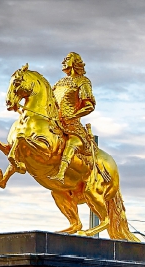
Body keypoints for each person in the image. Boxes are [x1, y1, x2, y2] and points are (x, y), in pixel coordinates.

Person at [50, 52, 96, 183]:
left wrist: (73, 116)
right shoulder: (59, 83)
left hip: (72, 125)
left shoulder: (83, 81)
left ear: (75, 62)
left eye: (67, 58)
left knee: (71, 143)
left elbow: (89, 106)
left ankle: (61, 173)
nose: (63, 61)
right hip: (55, 122)